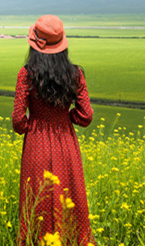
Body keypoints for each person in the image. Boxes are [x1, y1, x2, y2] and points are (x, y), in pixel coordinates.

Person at [12, 15, 96, 246]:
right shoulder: (75, 74)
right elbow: (86, 116)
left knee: (37, 199)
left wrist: (34, 125)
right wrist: (66, 118)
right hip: (66, 143)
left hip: (36, 144)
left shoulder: (26, 74)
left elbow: (18, 120)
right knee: (69, 197)